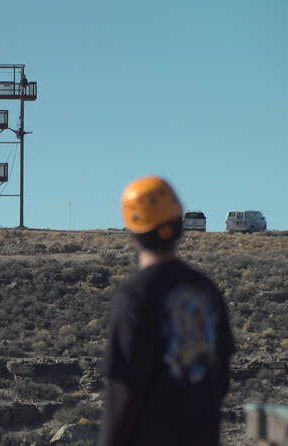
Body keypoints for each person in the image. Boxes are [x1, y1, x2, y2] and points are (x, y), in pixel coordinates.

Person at [101, 176, 236, 446]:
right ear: (179, 226)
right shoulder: (207, 291)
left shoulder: (134, 295)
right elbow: (219, 378)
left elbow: (123, 392)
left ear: (132, 233)